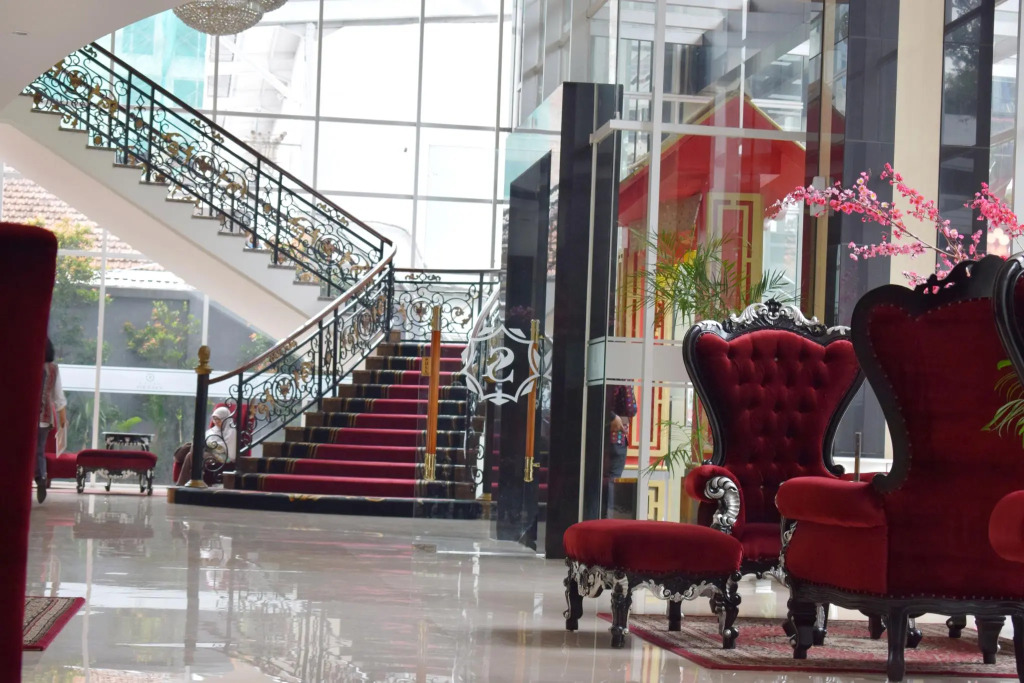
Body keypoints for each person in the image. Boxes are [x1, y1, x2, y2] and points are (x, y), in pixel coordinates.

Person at [36, 338, 67, 503]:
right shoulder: (53, 369)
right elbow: (58, 396)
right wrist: (62, 419)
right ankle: (41, 477)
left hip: (27, 417)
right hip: (45, 416)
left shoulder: (27, 365)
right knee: (39, 450)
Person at [175, 406, 237, 486]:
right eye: (214, 419)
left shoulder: (231, 431)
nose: (216, 422)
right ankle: (182, 483)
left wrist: (209, 445)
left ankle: (196, 477)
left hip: (224, 457)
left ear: (225, 419)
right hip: (209, 453)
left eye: (218, 419)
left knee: (195, 452)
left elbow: (228, 451)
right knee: (190, 454)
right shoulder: (212, 430)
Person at [603, 384, 637, 517]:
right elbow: (631, 409)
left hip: (597, 440)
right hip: (616, 440)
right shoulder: (622, 378)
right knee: (611, 490)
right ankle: (607, 523)